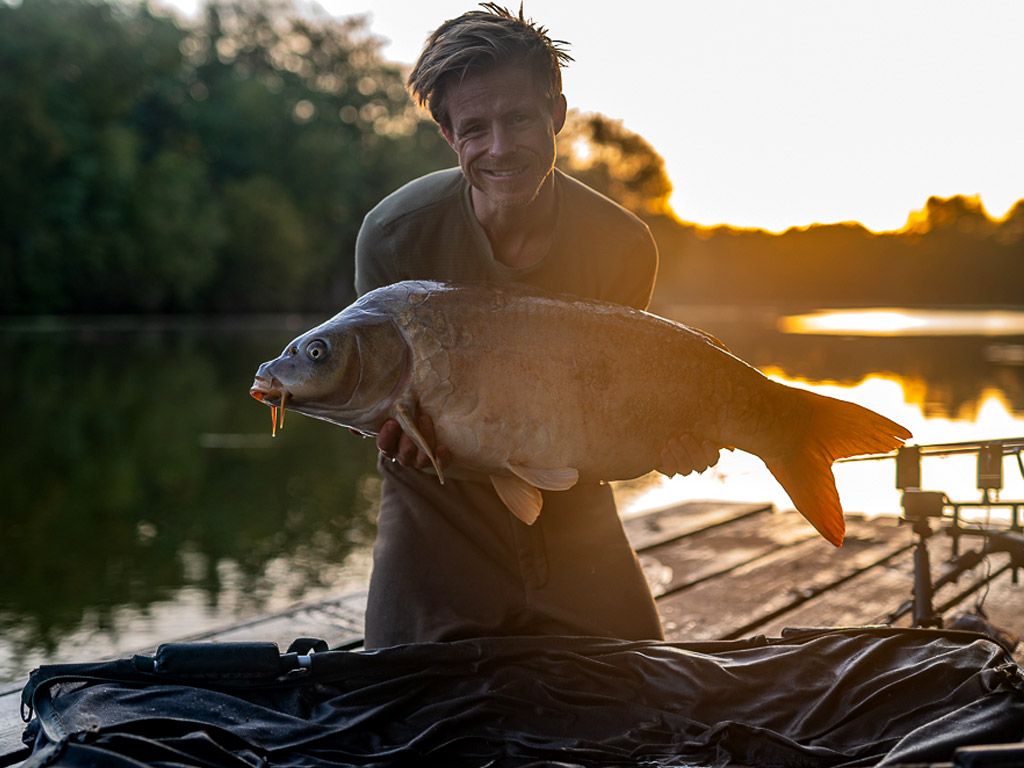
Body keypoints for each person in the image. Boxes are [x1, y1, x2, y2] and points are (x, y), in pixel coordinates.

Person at [354, 4, 720, 649]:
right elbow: (382, 401)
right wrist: (397, 429)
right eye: (475, 128)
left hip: (574, 507)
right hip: (437, 508)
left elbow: (613, 417)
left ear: (555, 111)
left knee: (644, 699)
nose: (500, 147)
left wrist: (665, 442)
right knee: (399, 715)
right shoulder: (393, 236)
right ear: (448, 134)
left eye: (519, 118)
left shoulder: (621, 244)